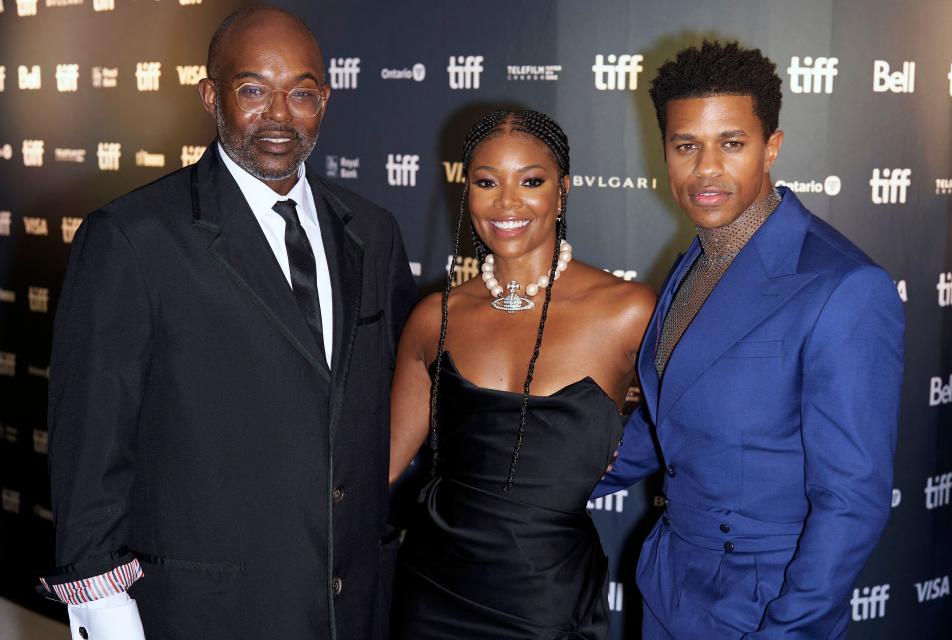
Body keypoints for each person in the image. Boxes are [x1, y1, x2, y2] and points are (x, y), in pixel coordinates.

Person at [38, 6, 417, 640]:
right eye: (252, 90)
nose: (280, 114)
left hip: (352, 605)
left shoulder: (372, 232)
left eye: (301, 92)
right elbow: (90, 443)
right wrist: (103, 609)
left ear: (324, 99)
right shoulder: (132, 239)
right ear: (211, 95)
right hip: (203, 611)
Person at [592, 41, 904, 638]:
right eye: (687, 146)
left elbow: (852, 501)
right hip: (667, 587)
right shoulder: (694, 262)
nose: (706, 169)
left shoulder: (845, 288)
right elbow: (666, 424)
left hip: (763, 608)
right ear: (664, 152)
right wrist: (531, 481)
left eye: (731, 144)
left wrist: (788, 631)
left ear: (772, 147)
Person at [388, 110, 656, 639]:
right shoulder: (434, 317)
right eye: (487, 182)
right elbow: (380, 465)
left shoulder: (629, 312)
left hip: (548, 600)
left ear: (563, 191)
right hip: (431, 593)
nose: (507, 203)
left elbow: (694, 434)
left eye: (531, 181)